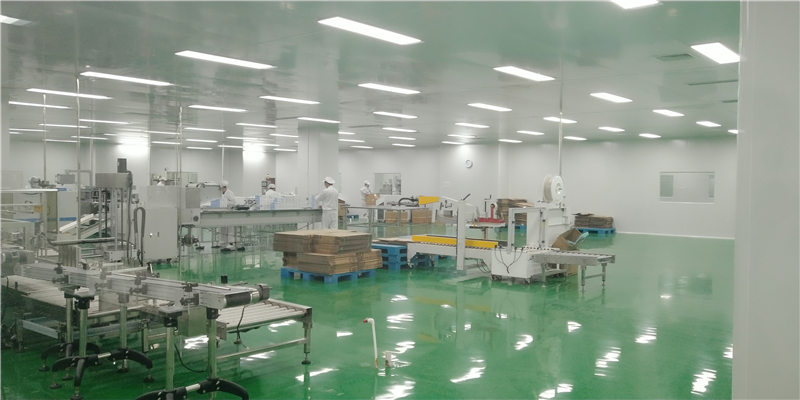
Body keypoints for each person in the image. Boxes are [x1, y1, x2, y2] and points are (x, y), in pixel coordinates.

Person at [219, 180, 238, 251]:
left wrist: (226, 203)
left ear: (224, 187)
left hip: (229, 212)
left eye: (222, 188)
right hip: (223, 212)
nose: (221, 189)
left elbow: (234, 202)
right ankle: (223, 241)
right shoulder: (221, 193)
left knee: (230, 228)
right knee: (223, 227)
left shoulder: (230, 193)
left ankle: (231, 242)